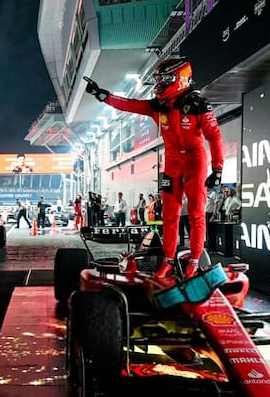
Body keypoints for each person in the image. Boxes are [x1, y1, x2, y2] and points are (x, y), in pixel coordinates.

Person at [84, 57, 224, 281]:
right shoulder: (157, 106)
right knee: (169, 214)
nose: (159, 84)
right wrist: (103, 95)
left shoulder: (199, 104)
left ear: (179, 79)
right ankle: (168, 260)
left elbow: (214, 137)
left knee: (197, 213)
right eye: (159, 79)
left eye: (165, 79)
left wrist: (217, 169)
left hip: (195, 161)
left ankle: (194, 261)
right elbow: (129, 104)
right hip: (171, 163)